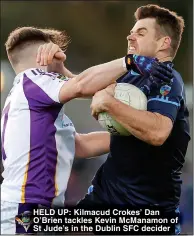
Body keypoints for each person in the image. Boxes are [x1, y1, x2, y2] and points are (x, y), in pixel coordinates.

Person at [1, 26, 172, 234]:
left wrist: (138, 137)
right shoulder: (34, 81)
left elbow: (80, 145)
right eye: (56, 52)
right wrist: (130, 61)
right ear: (42, 56)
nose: (61, 58)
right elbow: (81, 85)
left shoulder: (29, 96)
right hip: (26, 209)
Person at [77, 4, 190, 235]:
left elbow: (158, 133)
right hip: (104, 198)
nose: (130, 36)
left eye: (141, 32)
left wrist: (108, 102)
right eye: (131, 31)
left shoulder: (167, 79)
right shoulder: (132, 74)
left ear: (163, 43)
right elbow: (80, 84)